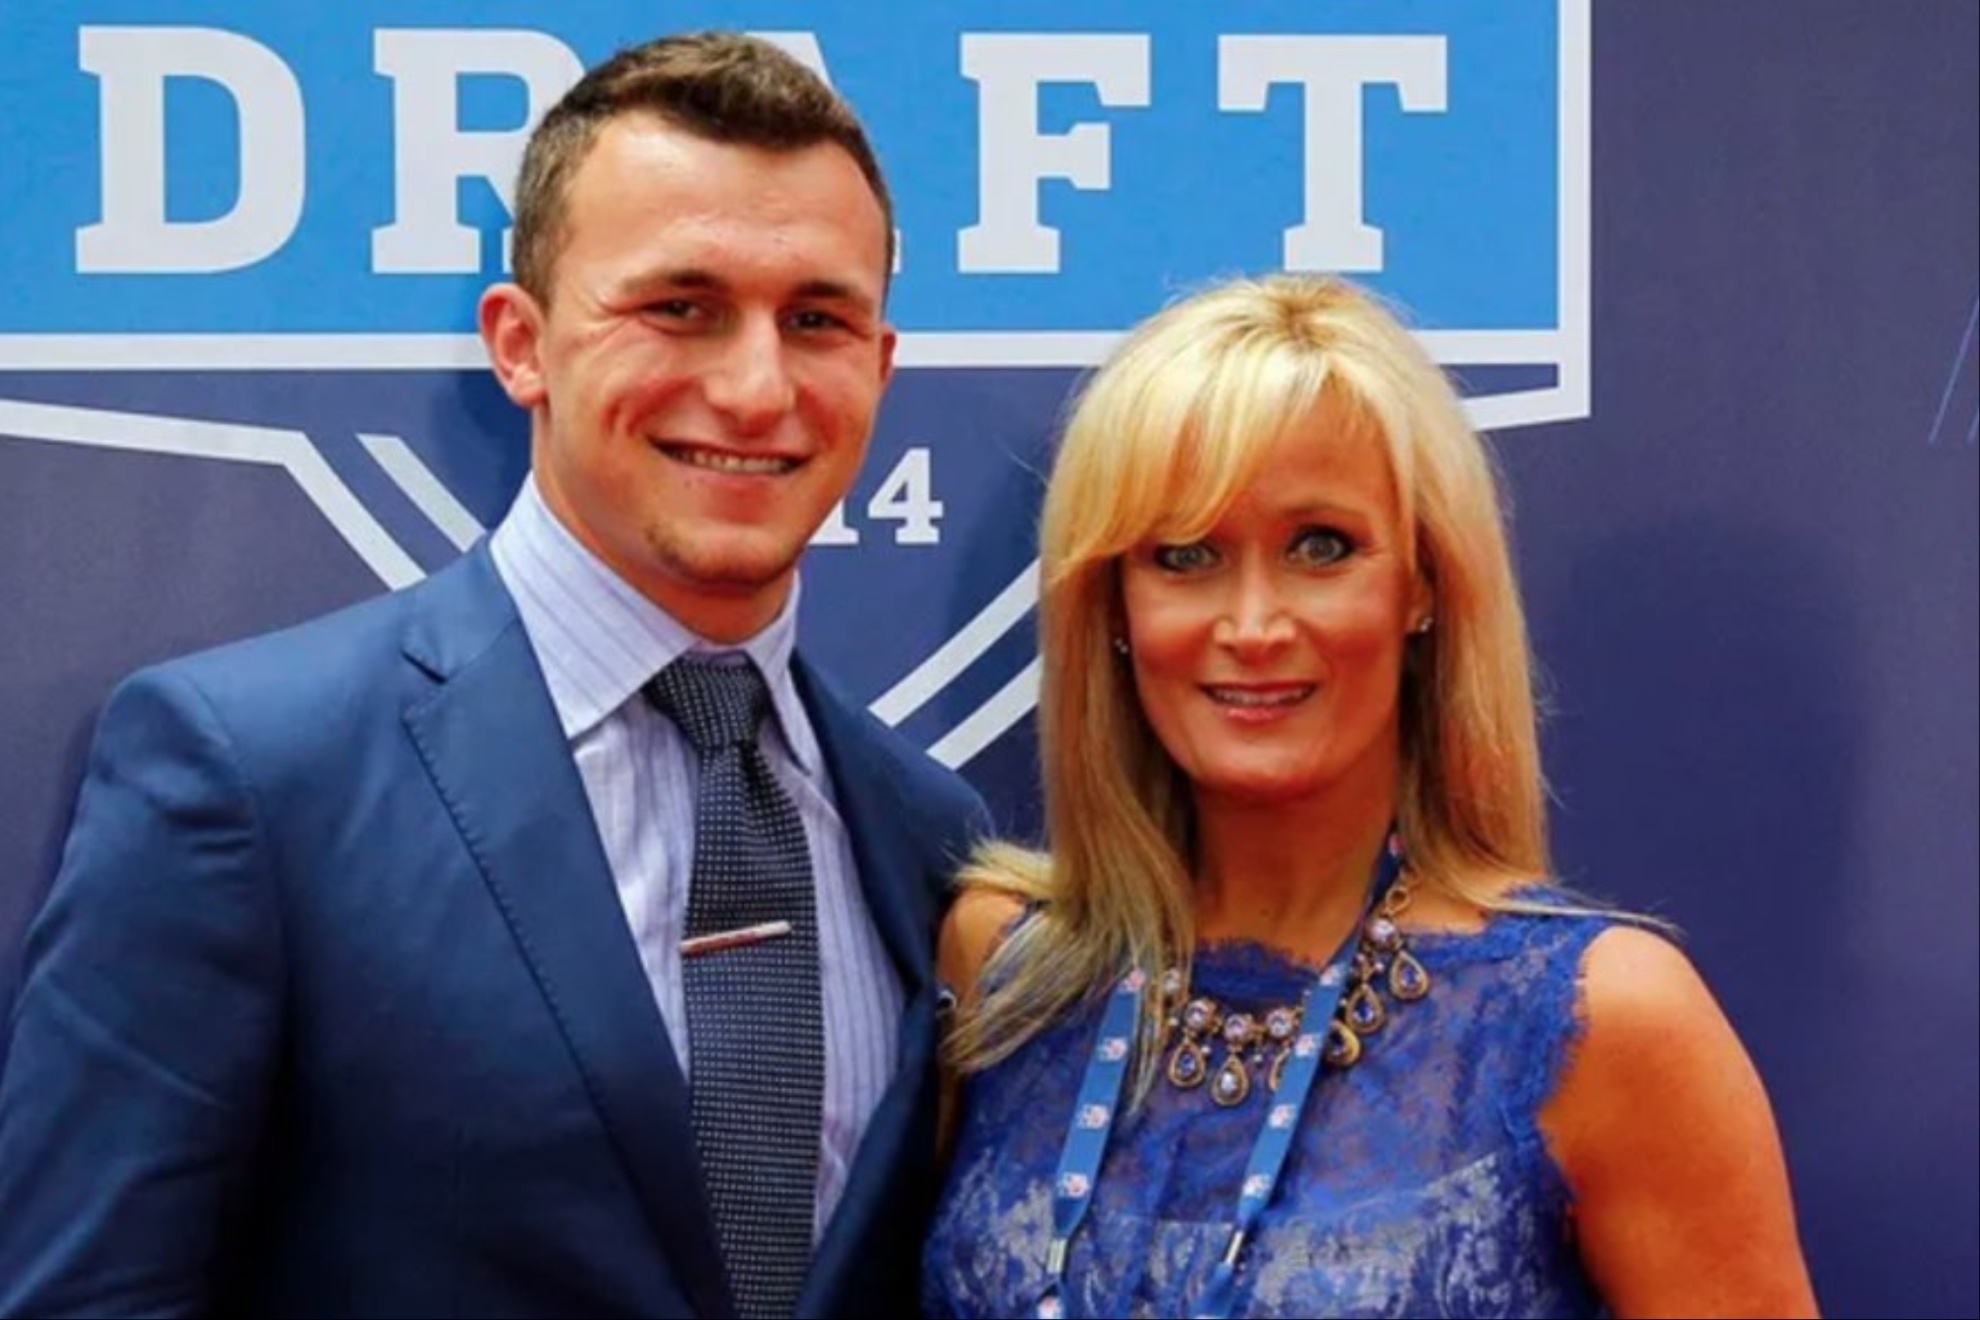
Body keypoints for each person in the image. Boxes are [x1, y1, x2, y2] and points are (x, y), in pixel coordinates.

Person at [0, 31, 987, 1319]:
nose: (757, 386)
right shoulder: (249, 774)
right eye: (679, 307)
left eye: (817, 320)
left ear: (879, 365)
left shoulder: (930, 840)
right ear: (521, 344)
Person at [923, 274, 1819, 1319]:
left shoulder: (1603, 1022)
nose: (1253, 623)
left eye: (1321, 548)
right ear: (1114, 605)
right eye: (1187, 555)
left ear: (1423, 584)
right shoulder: (1000, 971)